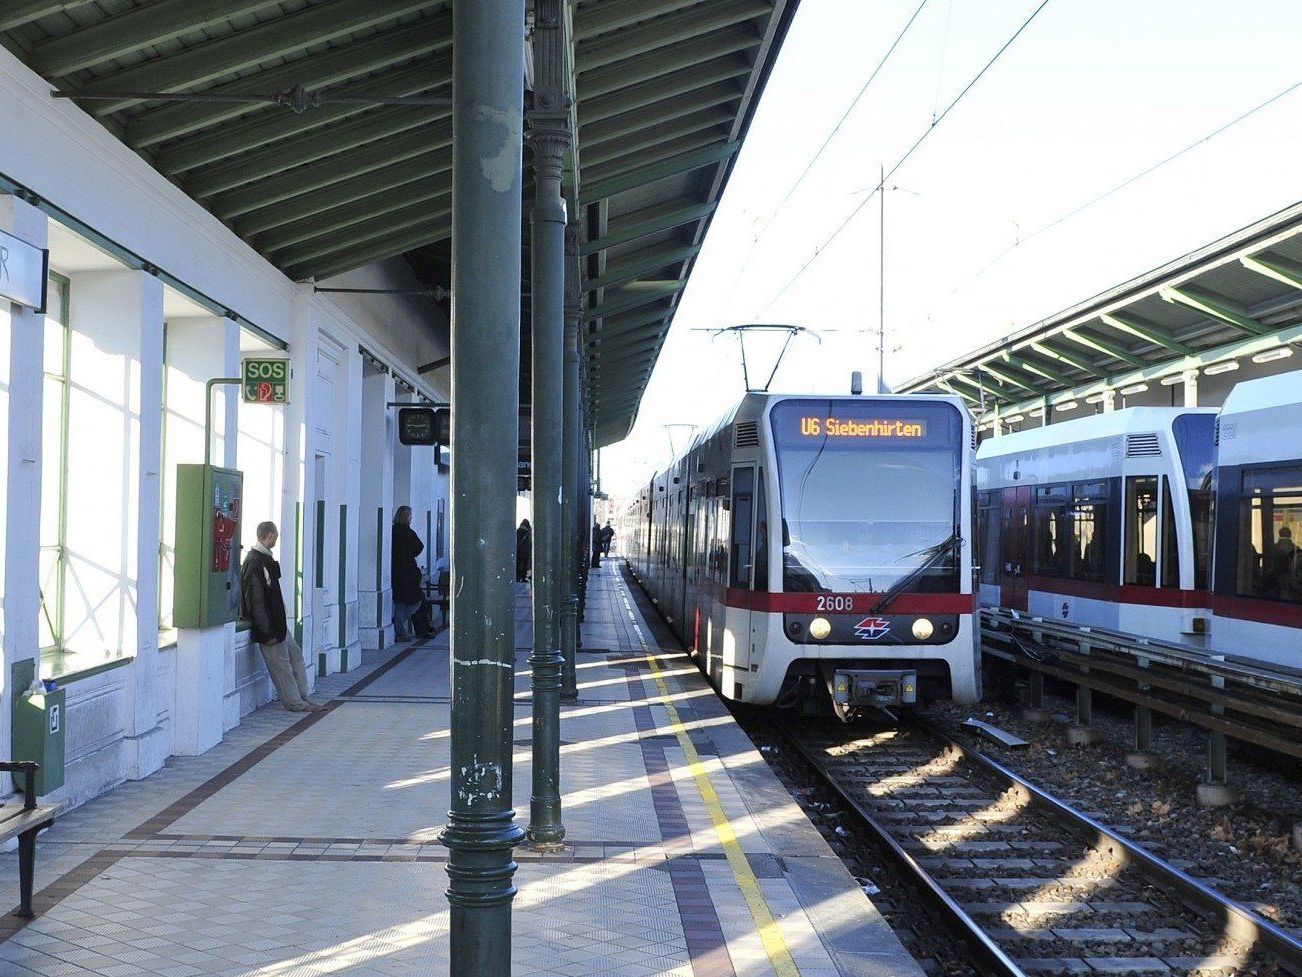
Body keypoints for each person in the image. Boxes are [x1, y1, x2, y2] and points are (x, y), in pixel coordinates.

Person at [241, 521, 325, 713]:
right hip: (269, 627)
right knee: (281, 666)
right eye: (276, 536)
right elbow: (256, 602)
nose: (277, 540)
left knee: (295, 656)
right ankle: (294, 703)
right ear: (269, 535)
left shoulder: (265, 560)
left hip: (278, 624)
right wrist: (266, 631)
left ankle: (303, 697)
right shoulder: (255, 562)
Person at [391, 506, 426, 640]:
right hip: (407, 571)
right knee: (417, 599)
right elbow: (419, 547)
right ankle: (398, 622)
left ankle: (400, 630)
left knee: (400, 601)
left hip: (395, 571)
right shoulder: (407, 532)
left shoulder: (393, 531)